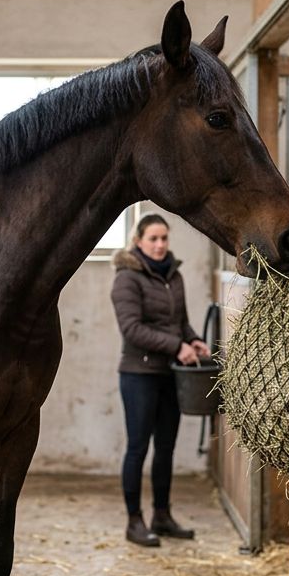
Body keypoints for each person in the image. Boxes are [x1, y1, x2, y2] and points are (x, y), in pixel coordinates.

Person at [110, 213, 209, 547]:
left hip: (171, 374)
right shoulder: (127, 278)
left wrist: (193, 340)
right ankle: (134, 521)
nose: (160, 245)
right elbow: (132, 329)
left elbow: (180, 322)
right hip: (138, 374)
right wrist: (176, 346)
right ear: (138, 241)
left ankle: (162, 515)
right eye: (153, 238)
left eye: (164, 238)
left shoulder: (174, 275)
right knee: (138, 448)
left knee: (165, 448)